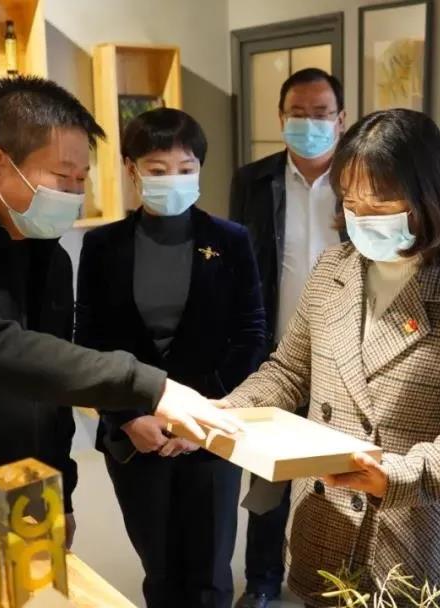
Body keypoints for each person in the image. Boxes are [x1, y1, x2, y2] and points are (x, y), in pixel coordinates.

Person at [0, 77, 240, 556]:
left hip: (23, 504)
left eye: (81, 179)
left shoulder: (49, 256)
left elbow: (51, 398)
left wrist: (61, 494)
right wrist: (151, 386)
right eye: (62, 176)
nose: (74, 193)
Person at [221, 109, 440, 607]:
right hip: (326, 514)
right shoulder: (332, 268)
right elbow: (290, 370)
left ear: (427, 196)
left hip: (412, 524)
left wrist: (396, 476)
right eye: (351, 202)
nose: (361, 219)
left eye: (379, 204)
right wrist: (233, 408)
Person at [74, 108, 266, 608]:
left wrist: (198, 418)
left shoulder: (230, 240)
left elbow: (250, 335)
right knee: (159, 567)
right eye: (158, 170)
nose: (173, 179)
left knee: (211, 570)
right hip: (135, 433)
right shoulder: (102, 246)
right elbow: (89, 342)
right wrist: (126, 416)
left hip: (210, 428)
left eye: (186, 168)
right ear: (131, 169)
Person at [228, 67, 347, 608]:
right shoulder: (252, 181)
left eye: (321, 113)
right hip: (275, 349)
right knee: (269, 473)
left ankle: (331, 578)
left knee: (336, 474)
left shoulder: (360, 179)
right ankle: (261, 579)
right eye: (298, 113)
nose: (310, 123)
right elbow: (239, 268)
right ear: (280, 118)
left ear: (341, 119)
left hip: (345, 353)